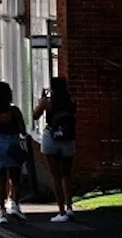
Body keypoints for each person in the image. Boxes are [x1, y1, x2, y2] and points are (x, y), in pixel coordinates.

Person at [0, 81, 27, 224]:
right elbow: (22, 130)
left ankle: (1, 212)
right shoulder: (14, 111)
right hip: (12, 144)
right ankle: (14, 204)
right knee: (15, 178)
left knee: (0, 179)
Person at [33, 76, 77, 223]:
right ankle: (70, 207)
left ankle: (61, 210)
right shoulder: (71, 100)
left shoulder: (48, 101)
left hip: (51, 136)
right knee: (67, 175)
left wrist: (41, 101)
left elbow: (35, 115)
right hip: (68, 138)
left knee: (55, 176)